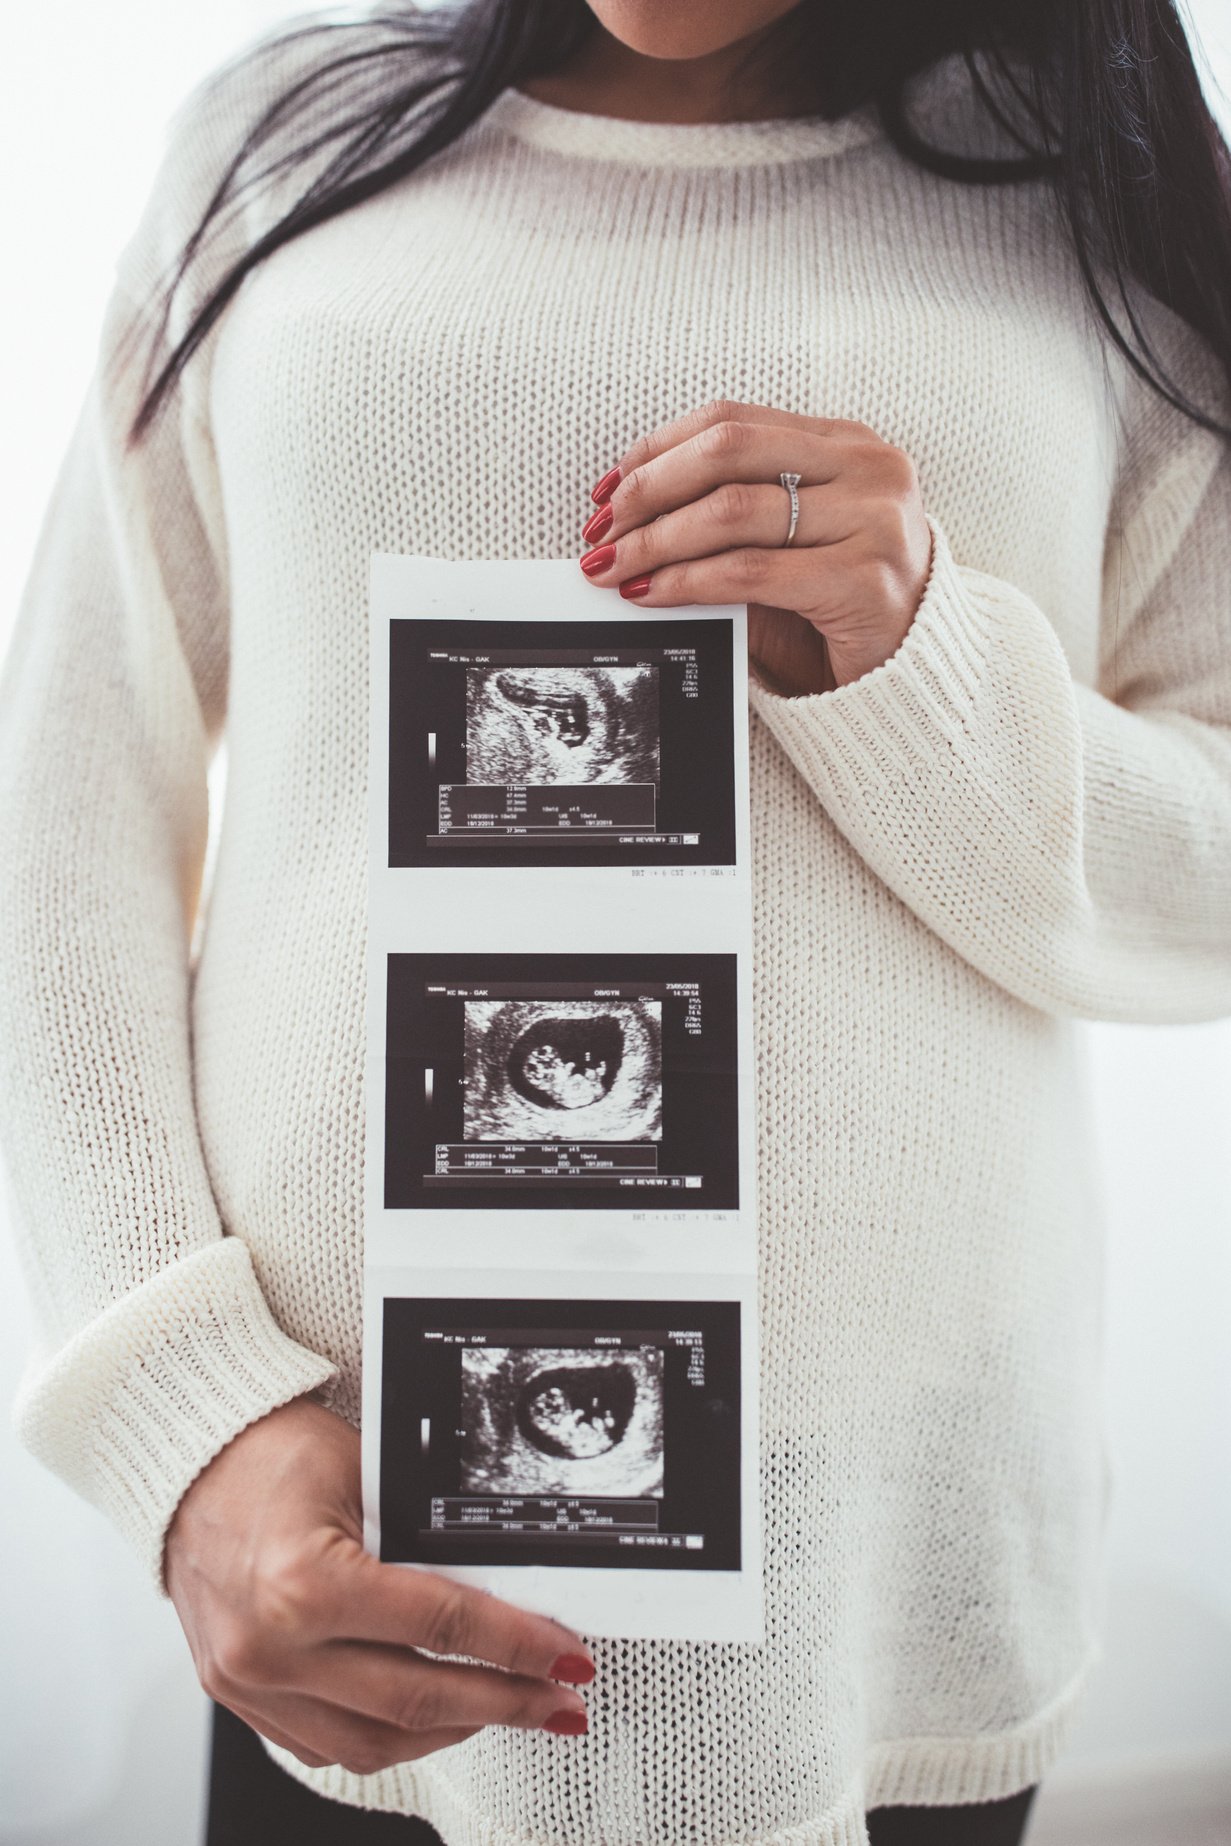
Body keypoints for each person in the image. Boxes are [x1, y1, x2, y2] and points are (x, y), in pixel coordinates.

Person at [2, 0, 1230, 1842]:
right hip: (338, 1552)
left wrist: (926, 663)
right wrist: (192, 1433)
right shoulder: (277, 158)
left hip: (894, 1591)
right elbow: (61, 844)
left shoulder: (1095, 216)